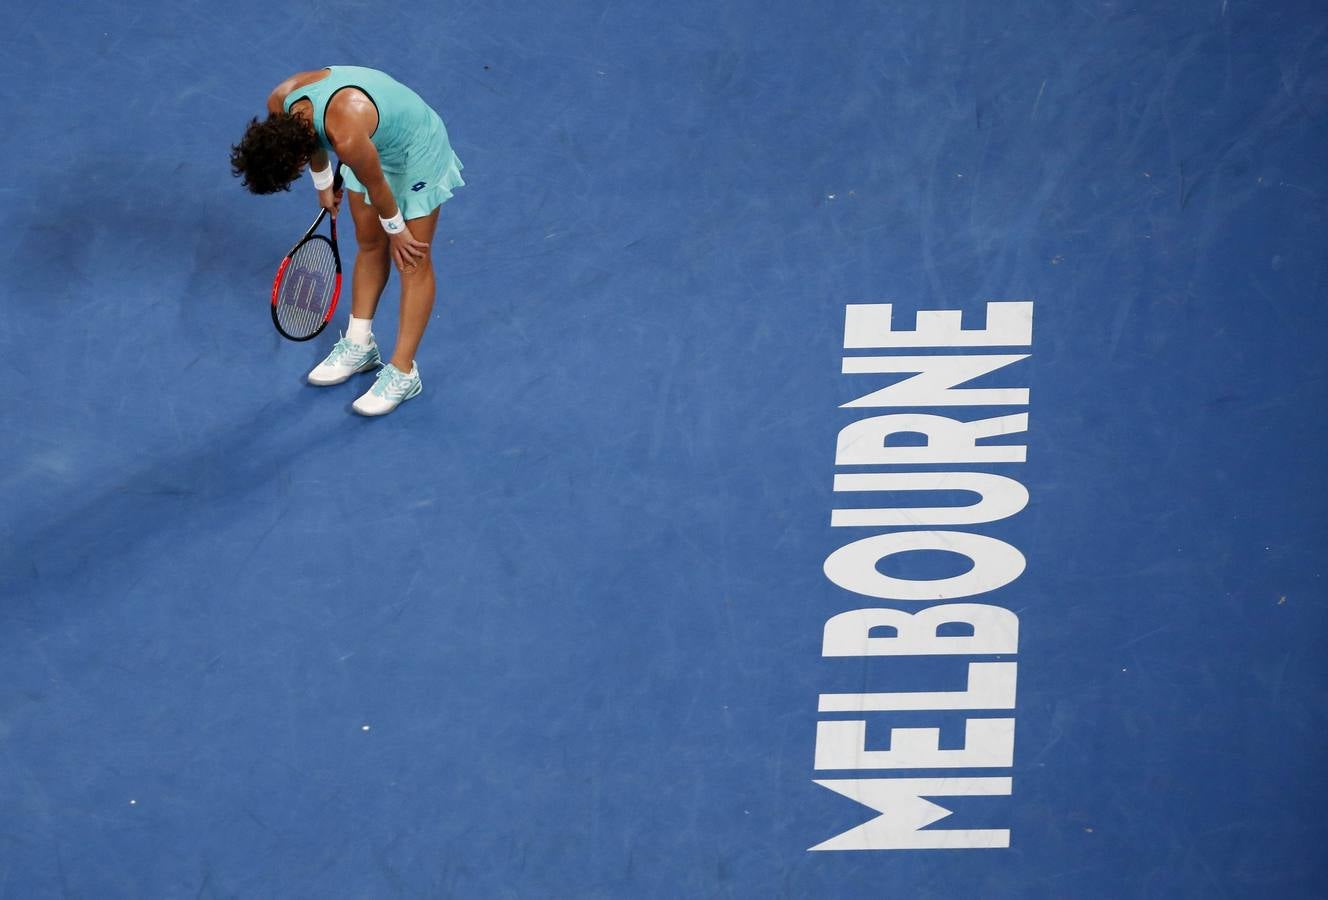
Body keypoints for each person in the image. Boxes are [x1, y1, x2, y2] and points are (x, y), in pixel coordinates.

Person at [230, 66, 464, 415]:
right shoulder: (281, 101)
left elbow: (377, 186)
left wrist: (398, 230)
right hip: (367, 146)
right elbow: (314, 145)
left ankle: (403, 370)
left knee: (411, 258)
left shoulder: (348, 137)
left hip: (415, 151)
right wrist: (324, 184)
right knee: (370, 243)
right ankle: (360, 345)